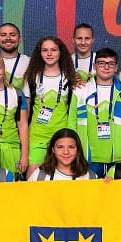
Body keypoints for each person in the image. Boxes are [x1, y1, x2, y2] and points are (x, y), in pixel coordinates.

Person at [68, 47, 121, 178]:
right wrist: (72, 149)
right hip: (88, 155)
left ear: (116, 67)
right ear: (94, 66)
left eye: (111, 64)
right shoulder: (81, 90)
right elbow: (72, 122)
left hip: (118, 156)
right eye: (101, 63)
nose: (106, 67)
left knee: (117, 190)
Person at [23, 36, 77, 178]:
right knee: (33, 177)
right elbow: (26, 110)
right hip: (37, 135)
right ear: (39, 53)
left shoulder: (70, 77)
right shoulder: (32, 77)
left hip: (62, 135)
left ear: (60, 52)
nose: (49, 54)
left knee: (61, 176)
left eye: (53, 50)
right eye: (45, 50)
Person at [27, 128, 96, 181]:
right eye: (60, 147)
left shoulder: (90, 177)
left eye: (71, 147)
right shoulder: (39, 176)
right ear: (53, 149)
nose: (66, 152)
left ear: (78, 149)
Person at [0, 23, 31, 90]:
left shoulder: (30, 63)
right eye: (3, 35)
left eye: (13, 35)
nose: (8, 38)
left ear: (20, 39)